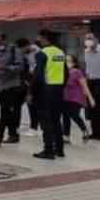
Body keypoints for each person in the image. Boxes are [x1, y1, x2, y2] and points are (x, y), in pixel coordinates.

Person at [32, 28, 68, 159]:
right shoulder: (60, 53)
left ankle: (48, 150)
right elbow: (66, 73)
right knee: (56, 120)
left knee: (46, 121)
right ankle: (60, 149)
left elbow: (37, 75)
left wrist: (33, 92)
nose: (38, 40)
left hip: (45, 91)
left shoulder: (43, 53)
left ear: (45, 38)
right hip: (58, 90)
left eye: (39, 37)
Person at [0, 33, 26, 147]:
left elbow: (20, 67)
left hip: (12, 85)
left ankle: (0, 135)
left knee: (7, 110)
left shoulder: (14, 50)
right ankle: (10, 133)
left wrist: (5, 68)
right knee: (5, 110)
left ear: (4, 39)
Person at [62, 55, 95, 143]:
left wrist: (90, 98)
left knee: (74, 115)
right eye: (66, 61)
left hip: (76, 98)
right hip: (65, 97)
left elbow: (84, 85)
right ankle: (66, 136)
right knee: (65, 116)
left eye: (70, 61)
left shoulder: (77, 72)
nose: (68, 63)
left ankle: (84, 130)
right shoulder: (64, 72)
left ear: (74, 63)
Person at [16, 38, 39, 131]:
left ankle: (34, 127)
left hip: (32, 80)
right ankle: (15, 125)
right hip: (23, 81)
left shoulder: (36, 52)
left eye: (23, 48)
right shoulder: (20, 54)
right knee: (17, 105)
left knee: (31, 104)